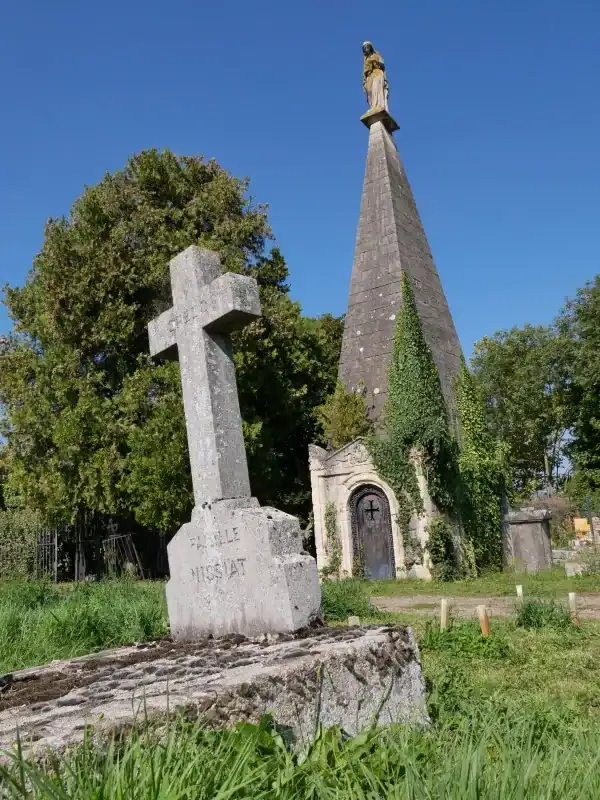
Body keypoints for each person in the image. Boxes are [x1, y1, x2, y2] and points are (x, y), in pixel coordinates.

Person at [362, 41, 389, 111]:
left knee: (376, 89)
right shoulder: (365, 60)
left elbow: (382, 65)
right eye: (364, 48)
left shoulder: (376, 55)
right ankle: (372, 107)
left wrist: (374, 61)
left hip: (377, 74)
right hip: (369, 77)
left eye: (367, 47)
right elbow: (364, 72)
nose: (366, 49)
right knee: (370, 92)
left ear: (370, 48)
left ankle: (378, 106)